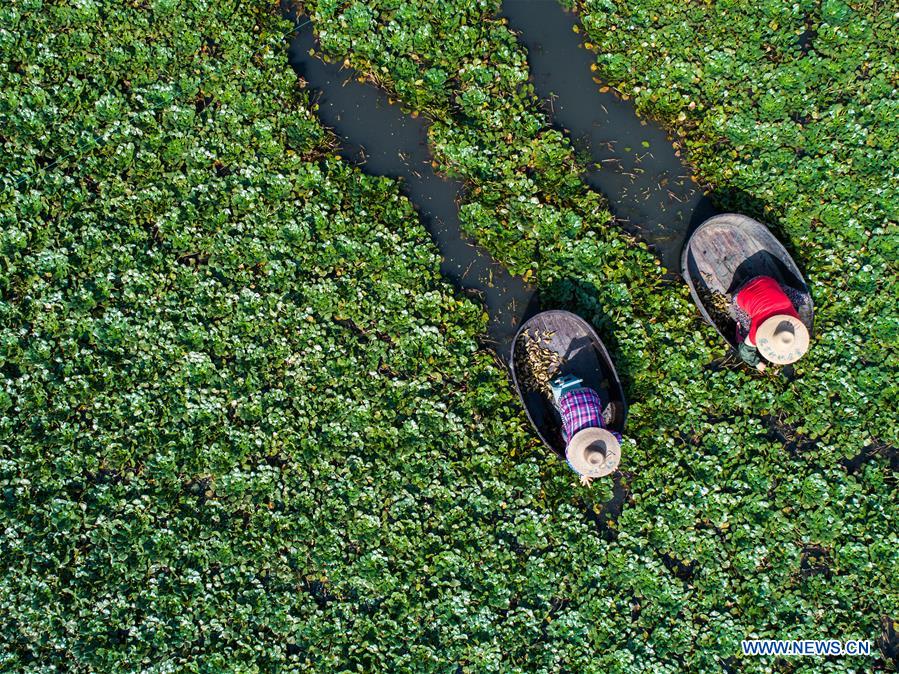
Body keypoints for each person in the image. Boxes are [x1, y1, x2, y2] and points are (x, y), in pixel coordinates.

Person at [731, 275, 811, 371]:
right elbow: (745, 351)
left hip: (765, 279)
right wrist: (757, 363)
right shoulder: (757, 331)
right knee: (746, 330)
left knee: (804, 299)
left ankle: (776, 287)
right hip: (740, 294)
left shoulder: (794, 319)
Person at [552, 376, 622, 484]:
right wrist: (583, 474)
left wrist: (612, 456)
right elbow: (571, 462)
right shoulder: (570, 449)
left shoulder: (606, 438)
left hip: (590, 393)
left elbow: (617, 437)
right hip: (565, 399)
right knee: (565, 435)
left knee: (599, 422)